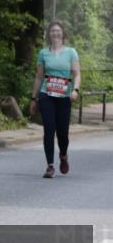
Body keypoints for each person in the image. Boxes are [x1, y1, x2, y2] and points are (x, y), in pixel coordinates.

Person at [29, 20, 81, 178]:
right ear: (48, 34)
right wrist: (34, 98)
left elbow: (77, 74)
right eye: (52, 31)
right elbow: (39, 77)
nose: (55, 33)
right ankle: (50, 166)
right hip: (47, 95)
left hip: (64, 97)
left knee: (63, 133)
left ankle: (63, 155)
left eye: (58, 30)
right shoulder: (43, 53)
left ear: (63, 33)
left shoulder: (71, 52)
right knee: (49, 130)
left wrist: (75, 90)